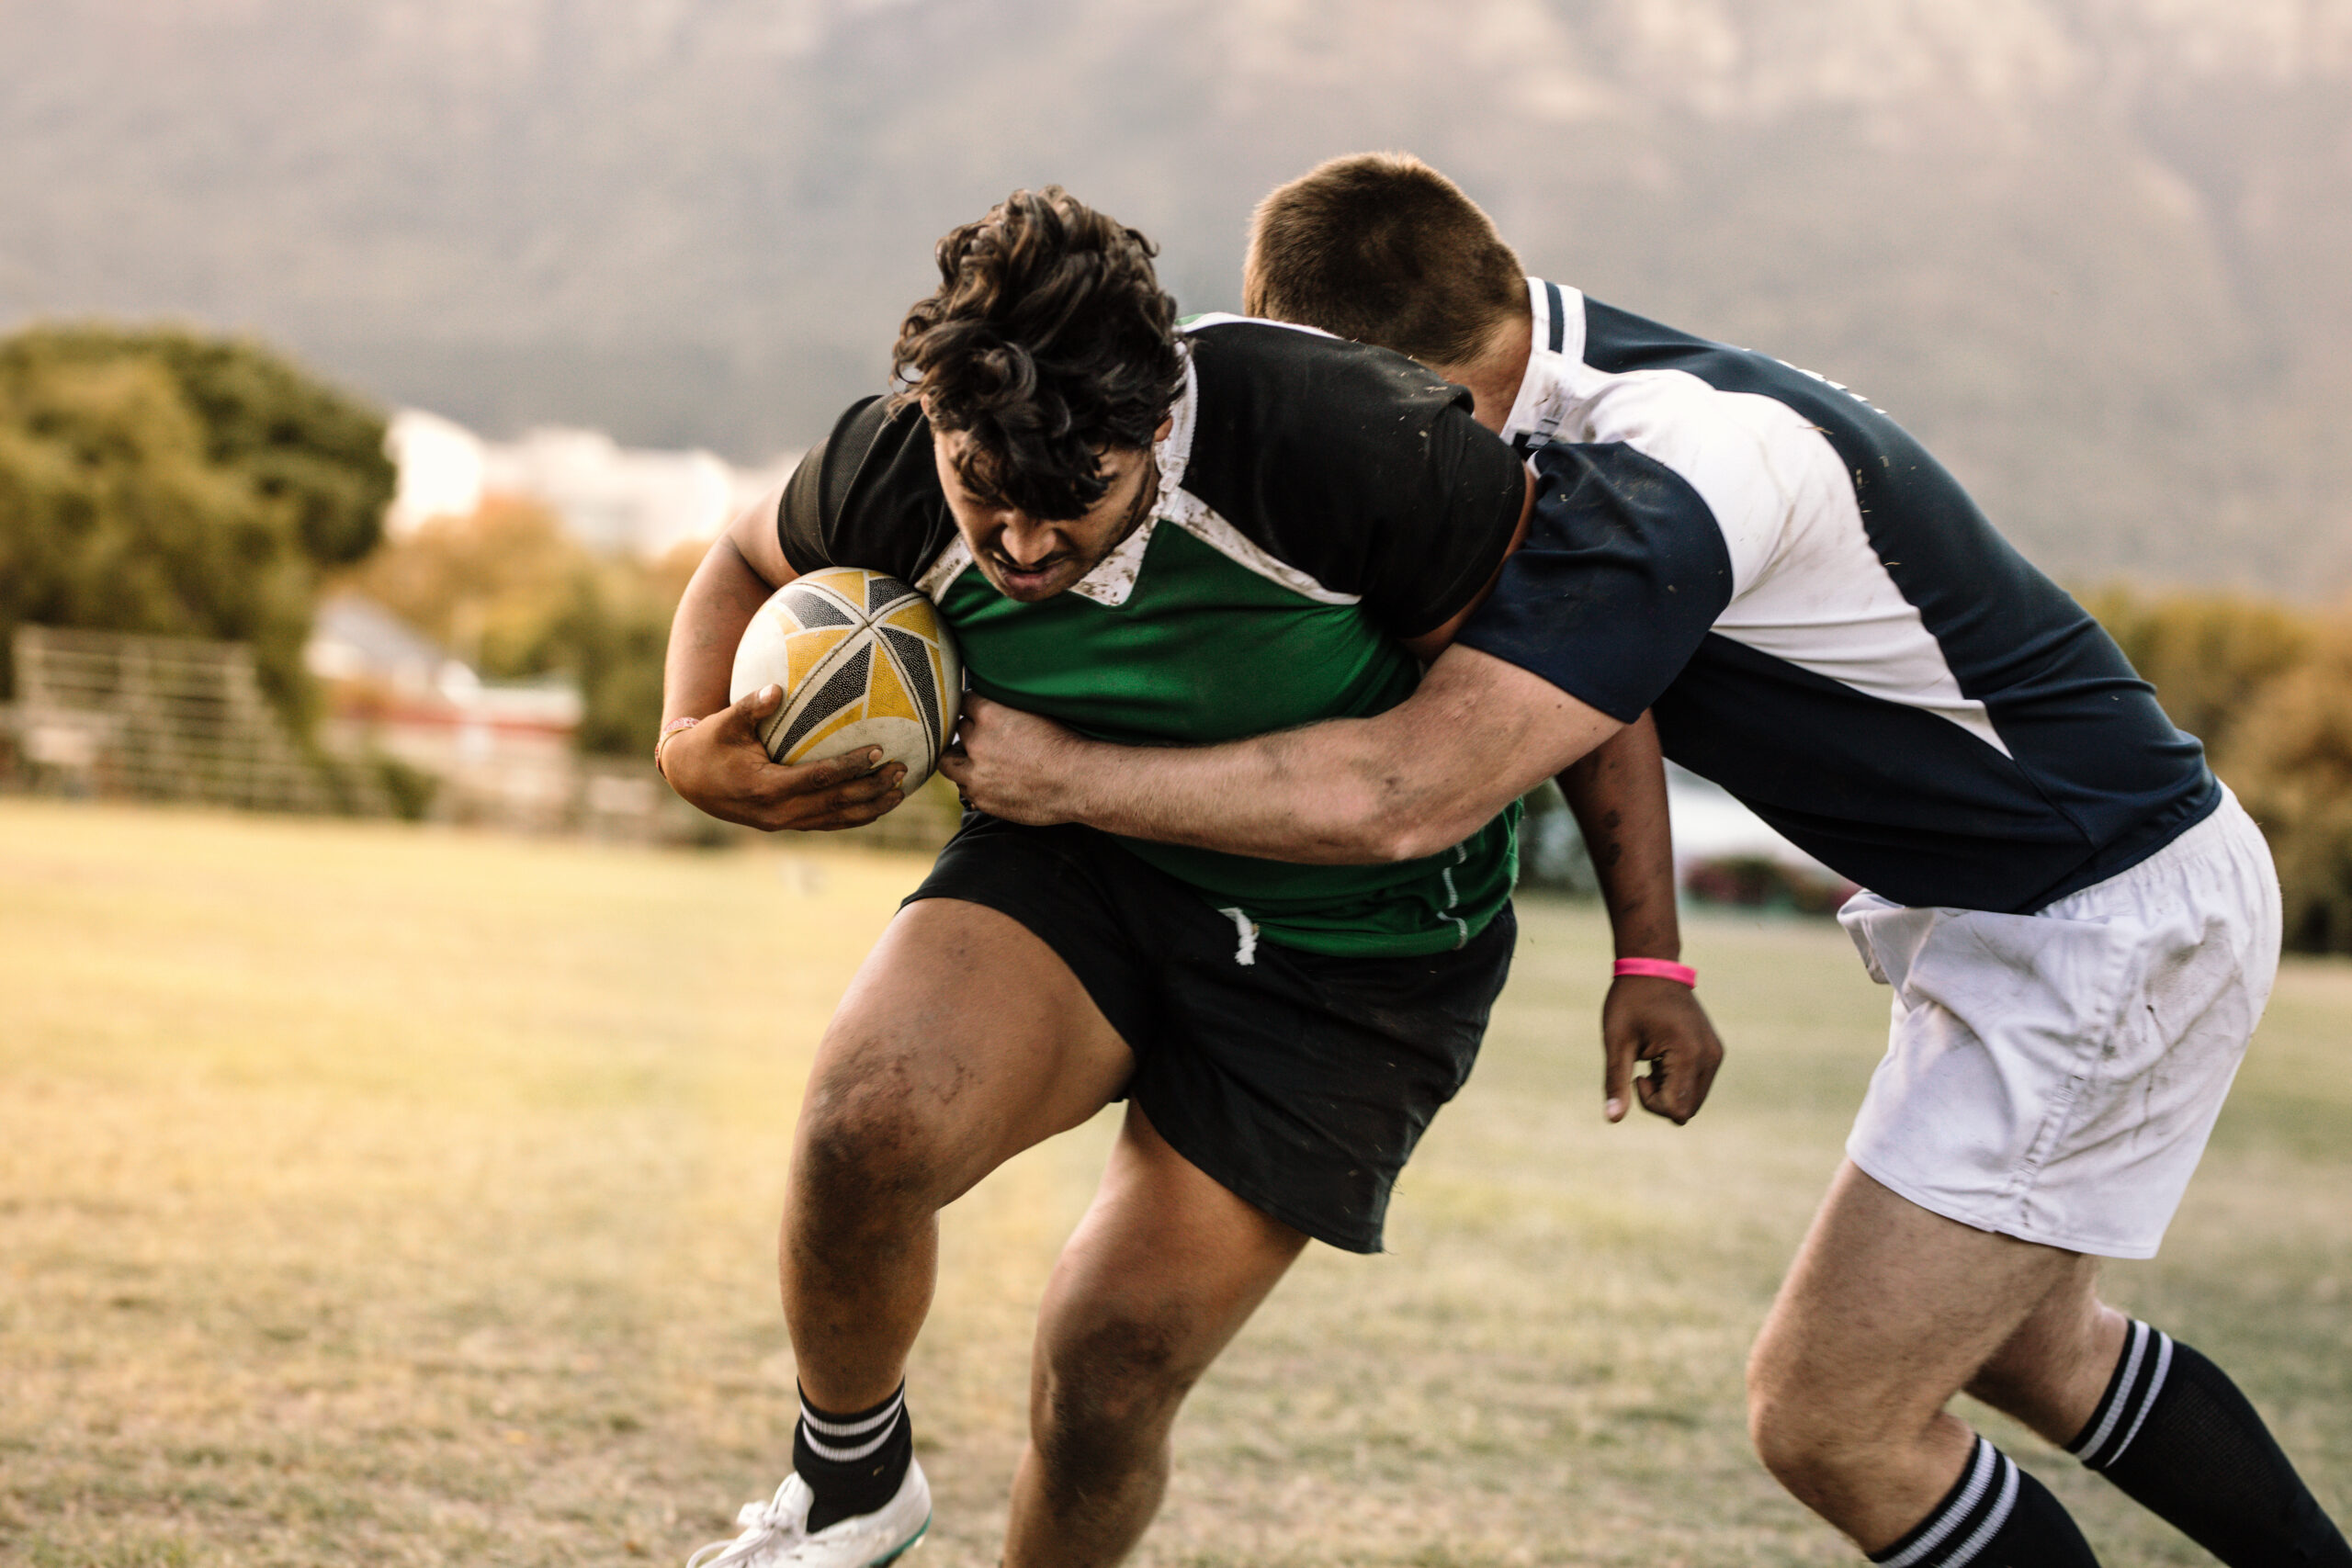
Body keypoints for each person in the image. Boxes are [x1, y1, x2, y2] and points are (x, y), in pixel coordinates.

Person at [943, 154, 2351, 1568]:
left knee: (1834, 1421)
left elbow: (1406, 793)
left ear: (1366, 374)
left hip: (2099, 917)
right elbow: (1627, 688)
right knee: (2036, 1352)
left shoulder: (1671, 460)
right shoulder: (1567, 406)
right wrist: (1653, 953)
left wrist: (1061, 779)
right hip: (2050, 902)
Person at [654, 185, 1722, 1568]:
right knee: (863, 1128)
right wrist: (689, 751)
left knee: (1104, 1370)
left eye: (1070, 505)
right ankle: (851, 1489)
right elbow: (743, 556)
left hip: (1358, 951)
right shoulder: (901, 463)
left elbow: (1589, 669)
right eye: (988, 496)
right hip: (1084, 867)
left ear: (1157, 423)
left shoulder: (1346, 441)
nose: (1023, 547)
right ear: (935, 420)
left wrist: (1652, 956)